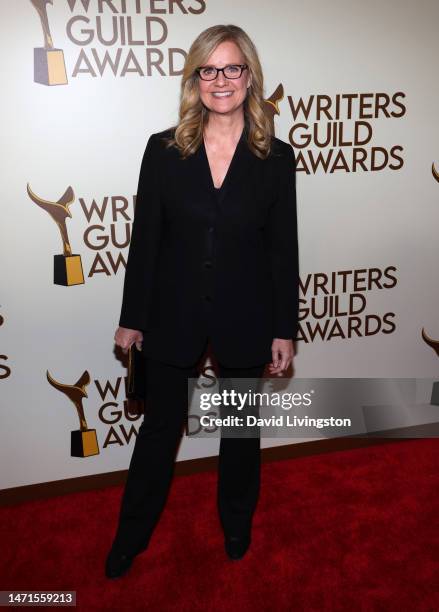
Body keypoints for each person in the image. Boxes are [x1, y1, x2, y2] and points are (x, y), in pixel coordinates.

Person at [105, 23, 299, 579]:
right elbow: (146, 241)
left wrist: (283, 327)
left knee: (239, 433)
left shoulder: (275, 157)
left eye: (232, 68)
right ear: (195, 80)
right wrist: (132, 319)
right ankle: (130, 537)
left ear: (250, 78)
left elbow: (283, 249)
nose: (221, 80)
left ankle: (237, 524)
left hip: (246, 315)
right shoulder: (164, 150)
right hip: (173, 314)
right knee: (160, 432)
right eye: (208, 69)